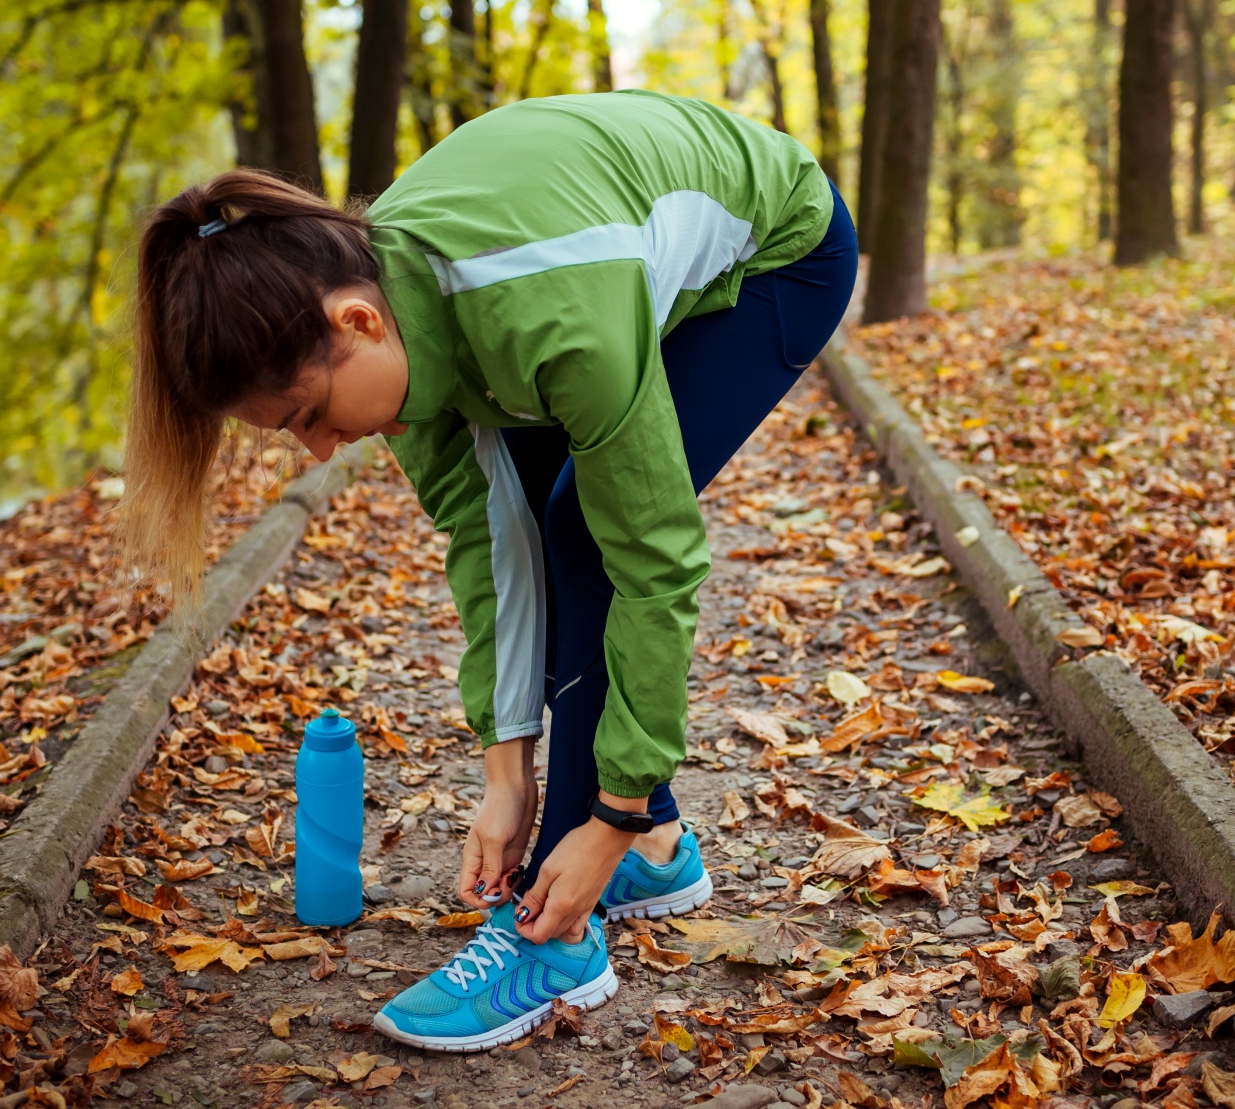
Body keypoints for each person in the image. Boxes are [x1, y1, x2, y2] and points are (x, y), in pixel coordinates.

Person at [123, 90, 857, 1052]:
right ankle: (661, 855)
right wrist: (504, 772)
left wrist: (607, 813)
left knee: (590, 533)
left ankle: (560, 938)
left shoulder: (552, 313)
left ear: (357, 321)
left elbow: (656, 561)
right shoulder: (395, 336)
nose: (319, 452)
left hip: (779, 251)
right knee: (547, 528)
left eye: (308, 414)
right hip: (582, 262)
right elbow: (488, 545)